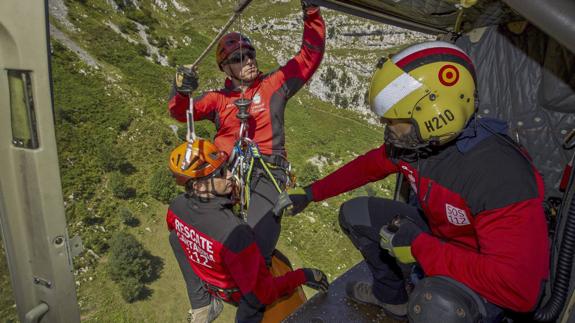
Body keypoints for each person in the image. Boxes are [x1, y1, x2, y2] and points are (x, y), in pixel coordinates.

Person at [287, 41, 550, 322]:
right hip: (443, 237)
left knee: (438, 309)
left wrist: (420, 246)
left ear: (434, 115)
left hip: (483, 268)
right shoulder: (416, 147)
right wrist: (310, 193)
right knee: (355, 214)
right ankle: (392, 298)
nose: (387, 130)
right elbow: (365, 168)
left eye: (393, 121)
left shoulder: (499, 173)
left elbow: (520, 291)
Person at [168, 0, 325, 264]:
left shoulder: (272, 85)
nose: (248, 61)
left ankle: (257, 284)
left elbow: (309, 57)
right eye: (238, 58)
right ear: (225, 68)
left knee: (257, 243)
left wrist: (312, 13)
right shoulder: (218, 99)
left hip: (267, 170)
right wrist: (180, 90)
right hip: (226, 171)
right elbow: (181, 111)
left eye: (250, 54)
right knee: (188, 224)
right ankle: (206, 296)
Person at [166, 139, 329, 323]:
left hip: (209, 278)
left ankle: (201, 303)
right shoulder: (234, 232)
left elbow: (179, 235)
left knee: (175, 237)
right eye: (220, 172)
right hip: (235, 290)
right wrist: (303, 275)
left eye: (226, 166)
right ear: (199, 186)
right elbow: (262, 294)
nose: (229, 174)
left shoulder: (176, 207)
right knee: (254, 301)